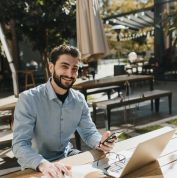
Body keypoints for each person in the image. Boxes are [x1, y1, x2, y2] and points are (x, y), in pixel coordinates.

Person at [12, 44, 116, 178]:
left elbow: (89, 133)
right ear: (51, 67)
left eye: (75, 68)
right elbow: (19, 145)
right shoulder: (28, 99)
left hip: (68, 157)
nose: (70, 73)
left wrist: (101, 142)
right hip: (37, 165)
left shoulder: (79, 99)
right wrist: (44, 164)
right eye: (64, 66)